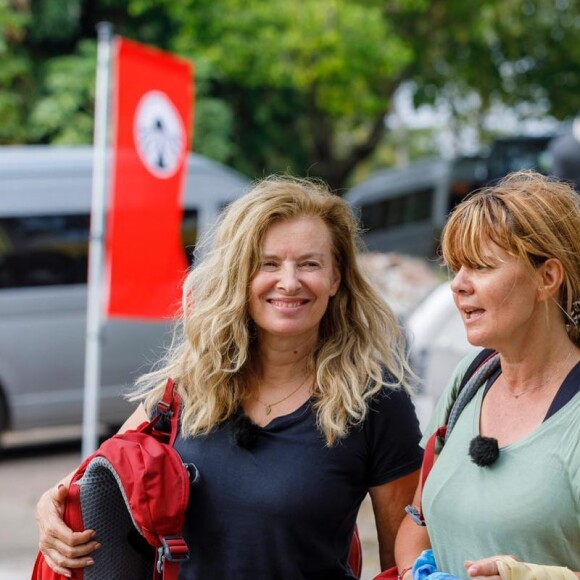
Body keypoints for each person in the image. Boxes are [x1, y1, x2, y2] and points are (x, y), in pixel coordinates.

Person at [36, 175, 423, 579]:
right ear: (240, 275)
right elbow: (90, 478)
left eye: (309, 264)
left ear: (336, 278)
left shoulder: (375, 401)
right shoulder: (189, 384)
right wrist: (50, 507)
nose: (289, 282)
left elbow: (403, 562)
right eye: (268, 264)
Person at [395, 170, 580, 580]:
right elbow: (417, 520)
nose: (458, 285)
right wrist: (414, 572)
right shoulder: (472, 375)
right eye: (456, 267)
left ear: (547, 278)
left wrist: (536, 577)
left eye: (480, 266)